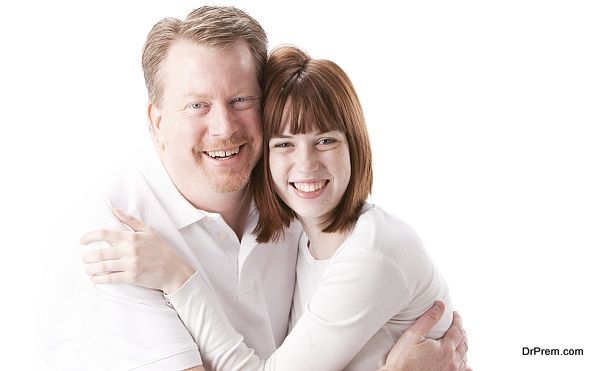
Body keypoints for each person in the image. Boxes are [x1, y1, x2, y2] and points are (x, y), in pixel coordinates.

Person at [78, 6, 469, 370]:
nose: (225, 128)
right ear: (157, 121)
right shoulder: (122, 229)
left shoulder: (309, 216)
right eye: (197, 104)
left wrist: (180, 280)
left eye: (241, 99)